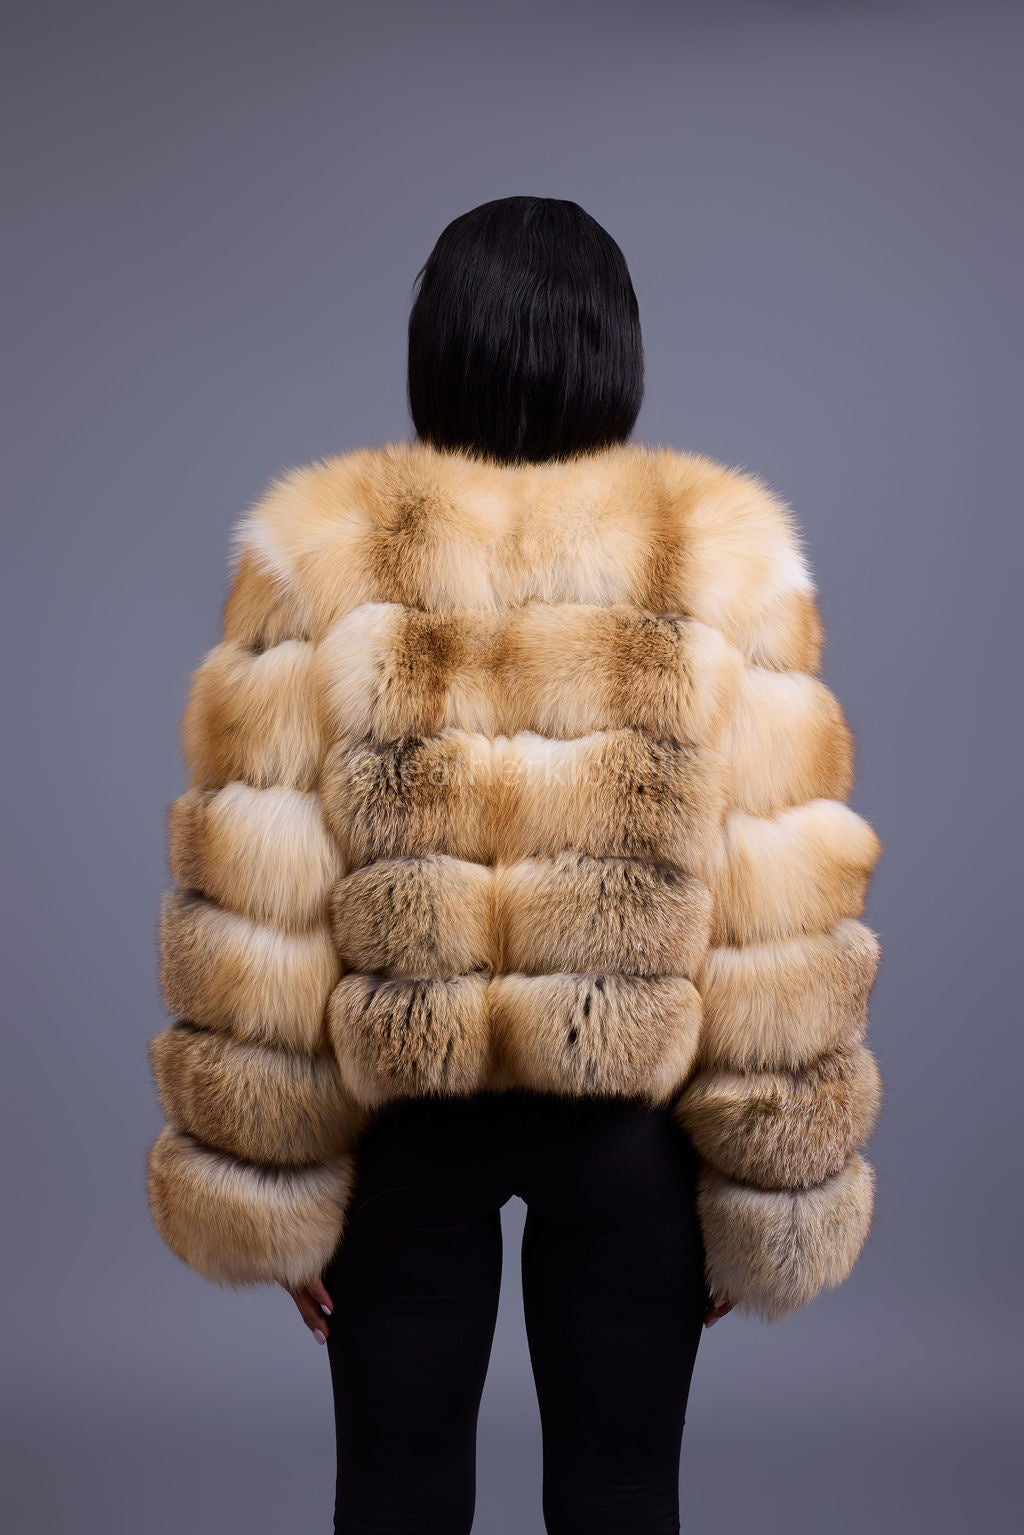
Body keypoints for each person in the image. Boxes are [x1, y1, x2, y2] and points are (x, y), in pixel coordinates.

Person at [146, 196, 883, 1534]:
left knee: (395, 1498)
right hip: (625, 1134)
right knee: (621, 1500)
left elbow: (262, 889)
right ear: (620, 353)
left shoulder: (319, 549)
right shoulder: (722, 558)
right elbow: (780, 907)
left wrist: (268, 1178)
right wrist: (768, 1188)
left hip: (404, 1130)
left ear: (433, 348)